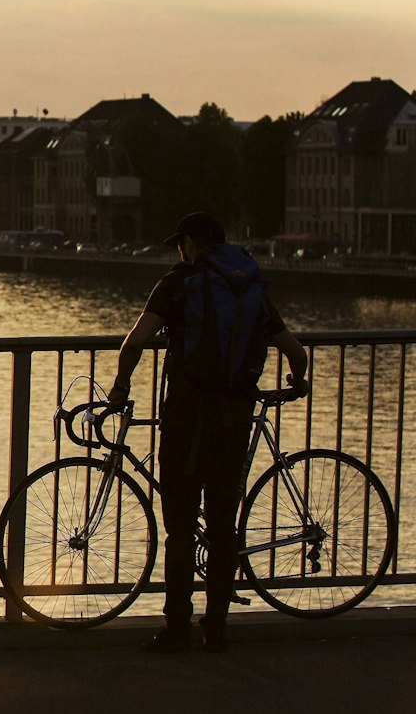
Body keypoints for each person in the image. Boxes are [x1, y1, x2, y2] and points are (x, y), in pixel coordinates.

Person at [106, 211, 309, 655]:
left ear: (192, 243)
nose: (179, 250)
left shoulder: (178, 283)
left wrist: (120, 389)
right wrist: (299, 380)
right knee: (222, 526)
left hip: (186, 418)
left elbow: (136, 341)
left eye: (181, 243)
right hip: (234, 416)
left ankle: (177, 628)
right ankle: (216, 629)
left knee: (180, 528)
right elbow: (294, 350)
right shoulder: (251, 287)